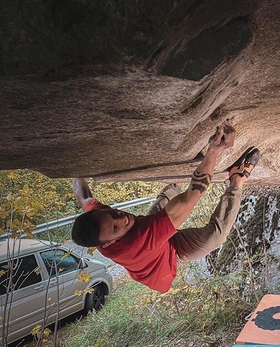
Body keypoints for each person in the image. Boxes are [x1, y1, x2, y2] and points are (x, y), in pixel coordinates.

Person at [71, 120, 260, 293]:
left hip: (148, 234)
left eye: (111, 213)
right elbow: (192, 195)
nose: (122, 218)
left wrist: (72, 167)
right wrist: (214, 151)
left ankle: (174, 180)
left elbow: (84, 197)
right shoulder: (143, 238)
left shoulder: (99, 222)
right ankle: (237, 179)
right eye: (115, 228)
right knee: (215, 237)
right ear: (108, 243)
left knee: (161, 208)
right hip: (170, 255)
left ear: (100, 211)